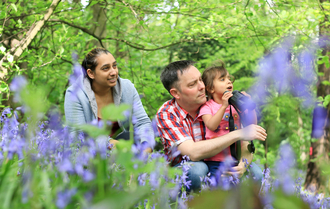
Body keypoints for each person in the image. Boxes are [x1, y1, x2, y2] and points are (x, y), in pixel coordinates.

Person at [156, 60, 267, 192]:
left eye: (200, 80)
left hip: (226, 160)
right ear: (176, 93)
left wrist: (242, 165)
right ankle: (187, 207)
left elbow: (246, 140)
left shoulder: (220, 102)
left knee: (255, 173)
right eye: (192, 84)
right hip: (187, 167)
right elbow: (192, 153)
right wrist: (238, 133)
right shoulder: (168, 114)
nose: (202, 87)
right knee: (198, 171)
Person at [64, 48, 154, 152]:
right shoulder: (75, 94)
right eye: (106, 68)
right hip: (91, 154)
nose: (113, 72)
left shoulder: (126, 87)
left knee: (130, 137)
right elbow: (78, 136)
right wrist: (119, 146)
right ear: (91, 73)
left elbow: (142, 122)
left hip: (124, 149)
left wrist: (146, 147)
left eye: (114, 66)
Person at [198, 63, 258, 177]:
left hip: (236, 158)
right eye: (222, 79)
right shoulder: (207, 107)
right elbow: (211, 125)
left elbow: (252, 124)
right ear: (210, 88)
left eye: (229, 79)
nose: (229, 82)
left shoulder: (235, 104)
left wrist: (249, 106)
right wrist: (223, 107)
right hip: (215, 160)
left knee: (255, 177)